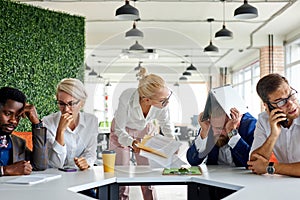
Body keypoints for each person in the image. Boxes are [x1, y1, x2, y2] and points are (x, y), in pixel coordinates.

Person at [109, 67, 174, 200]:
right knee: (122, 174)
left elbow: (167, 127)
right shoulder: (127, 97)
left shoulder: (162, 105)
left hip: (144, 131)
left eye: (168, 97)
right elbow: (119, 130)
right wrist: (132, 143)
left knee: (147, 175)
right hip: (122, 131)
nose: (167, 102)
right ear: (146, 100)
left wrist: (172, 144)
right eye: (163, 100)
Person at [248, 73, 300, 176]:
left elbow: (262, 166)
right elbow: (254, 163)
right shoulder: (264, 120)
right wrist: (273, 135)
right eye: (281, 102)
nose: (291, 104)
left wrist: (270, 167)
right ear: (268, 107)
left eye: (291, 95)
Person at [42, 78, 98, 170]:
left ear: (82, 103)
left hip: (81, 174)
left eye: (71, 104)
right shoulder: (48, 122)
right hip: (56, 176)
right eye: (61, 104)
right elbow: (56, 164)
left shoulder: (91, 121)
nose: (66, 109)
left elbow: (91, 153)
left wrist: (86, 162)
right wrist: (60, 131)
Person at [186, 102, 257, 168]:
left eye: (223, 127)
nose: (218, 132)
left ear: (236, 121)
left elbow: (253, 163)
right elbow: (193, 161)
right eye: (216, 127)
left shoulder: (252, 126)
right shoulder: (208, 128)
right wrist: (204, 131)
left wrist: (232, 133)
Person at [0, 87, 48, 176]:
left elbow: (40, 165)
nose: (13, 121)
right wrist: (5, 170)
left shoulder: (18, 143)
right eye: (8, 114)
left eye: (18, 116)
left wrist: (36, 123)